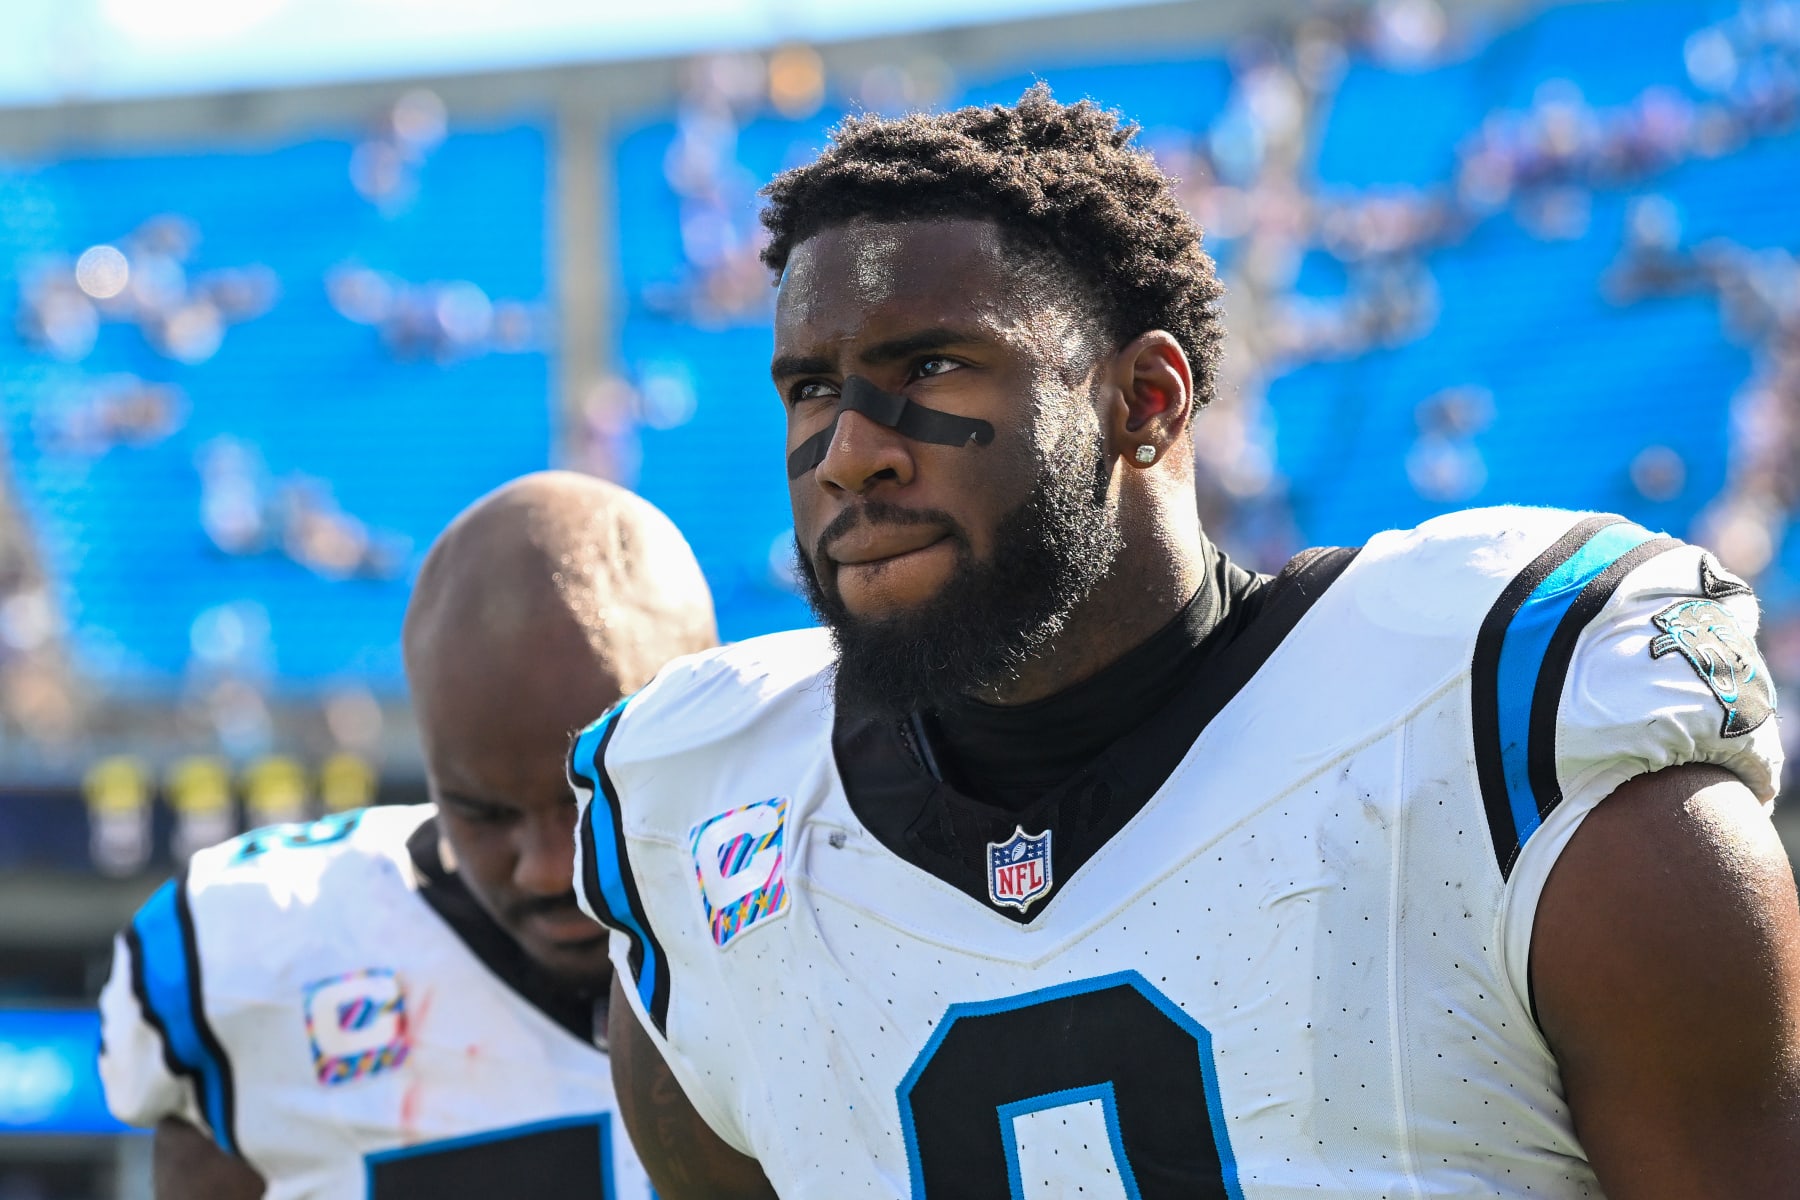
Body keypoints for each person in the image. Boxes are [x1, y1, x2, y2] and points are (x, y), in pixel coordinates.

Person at [569, 88, 1800, 1199]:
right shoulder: (709, 827)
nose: (850, 451)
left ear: (1145, 403)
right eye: (810, 388)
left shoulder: (1494, 720)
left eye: (931, 366)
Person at [98, 471, 717, 1199]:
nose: (548, 871)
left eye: (587, 804)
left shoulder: (822, 878)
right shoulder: (255, 963)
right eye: (485, 814)